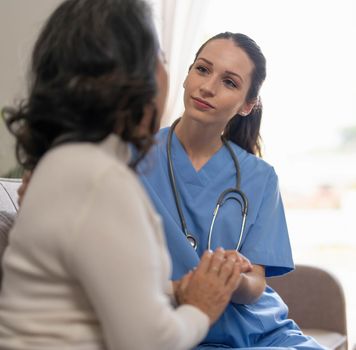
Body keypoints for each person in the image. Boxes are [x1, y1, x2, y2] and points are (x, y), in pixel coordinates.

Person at [0, 1, 245, 348]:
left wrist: (175, 289)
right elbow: (149, 343)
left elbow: (87, 286)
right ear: (132, 76)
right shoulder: (100, 179)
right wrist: (202, 306)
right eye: (160, 55)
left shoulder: (65, 164)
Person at [138, 32, 326, 349]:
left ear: (247, 105)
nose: (208, 87)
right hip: (178, 331)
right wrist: (187, 288)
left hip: (264, 333)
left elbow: (255, 284)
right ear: (185, 76)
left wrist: (229, 278)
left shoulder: (260, 177)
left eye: (230, 82)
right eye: (202, 69)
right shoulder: (131, 160)